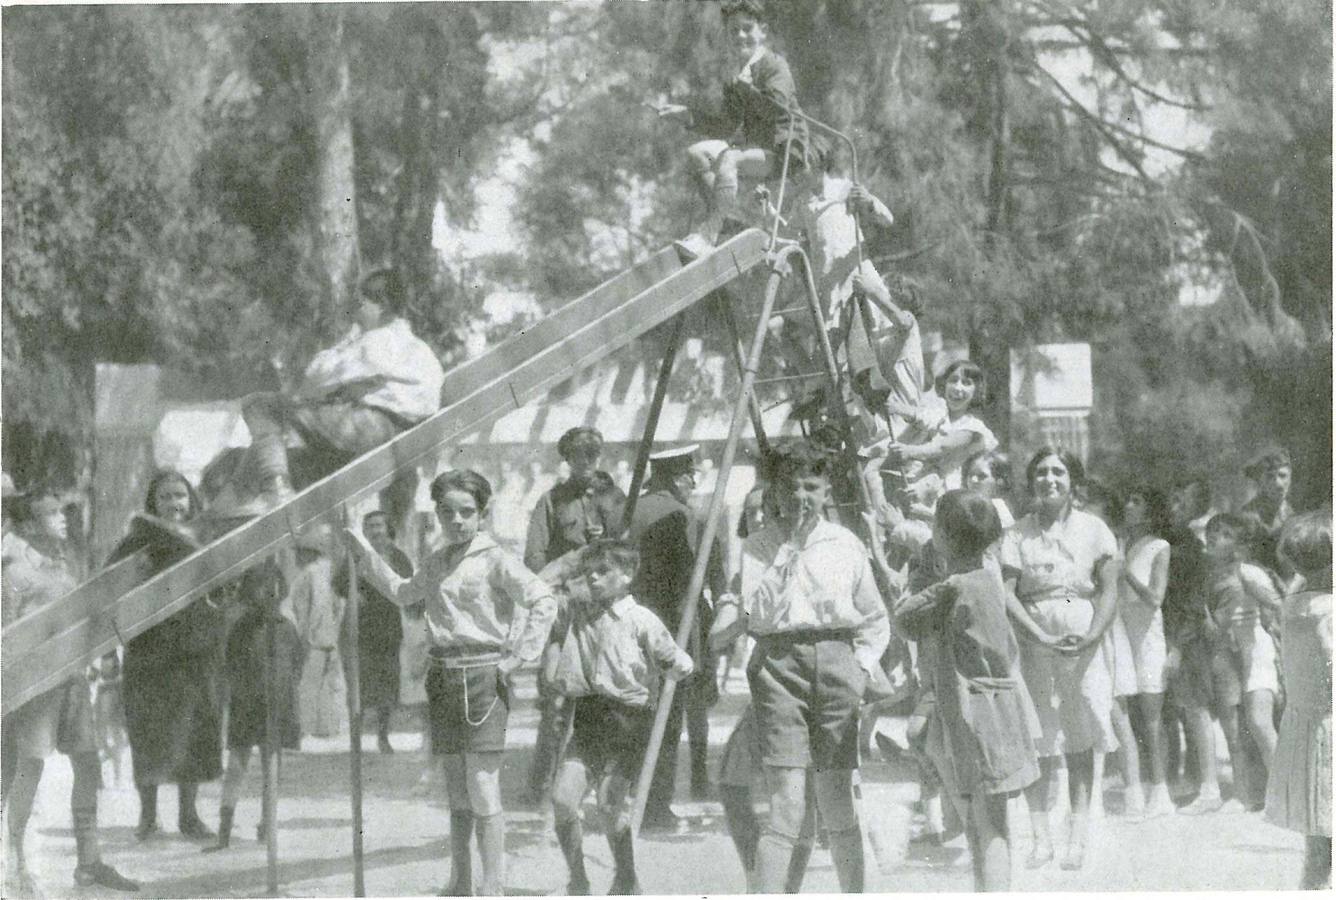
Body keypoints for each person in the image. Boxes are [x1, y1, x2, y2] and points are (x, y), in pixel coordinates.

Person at [344, 470, 556, 895]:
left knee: (482, 785)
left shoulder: (496, 558)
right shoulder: (438, 559)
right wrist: (365, 555)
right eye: (447, 512)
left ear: (483, 514)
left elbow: (543, 599)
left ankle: (492, 886)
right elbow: (404, 593)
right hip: (442, 679)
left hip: (483, 677)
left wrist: (517, 659)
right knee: (456, 788)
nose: (457, 521)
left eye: (467, 512)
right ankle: (461, 882)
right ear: (437, 514)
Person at [711, 441, 891, 892]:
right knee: (786, 804)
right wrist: (787, 550)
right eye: (791, 488)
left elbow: (873, 616)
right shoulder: (757, 547)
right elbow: (758, 615)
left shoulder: (845, 543)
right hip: (778, 667)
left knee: (836, 801)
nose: (801, 498)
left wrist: (862, 667)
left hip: (837, 667)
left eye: (811, 487)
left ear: (827, 489)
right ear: (775, 491)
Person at [892, 490, 1040, 891]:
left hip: (971, 717)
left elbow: (905, 620)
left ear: (941, 535)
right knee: (991, 823)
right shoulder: (989, 579)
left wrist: (925, 555)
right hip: (1000, 711)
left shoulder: (951, 587)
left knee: (983, 827)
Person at [2, 490, 140, 893]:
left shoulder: (64, 565)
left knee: (88, 764)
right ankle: (16, 861)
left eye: (62, 511)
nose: (62, 519)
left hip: (73, 681)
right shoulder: (11, 571)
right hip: (35, 688)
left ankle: (89, 862)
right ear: (27, 525)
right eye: (51, 513)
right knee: (27, 770)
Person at [547, 540, 694, 895]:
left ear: (627, 575)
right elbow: (545, 586)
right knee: (563, 799)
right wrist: (574, 561)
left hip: (628, 720)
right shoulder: (579, 611)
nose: (593, 579)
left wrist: (672, 668)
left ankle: (626, 877)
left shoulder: (642, 620)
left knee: (610, 804)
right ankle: (578, 878)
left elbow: (679, 662)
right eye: (589, 573)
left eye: (603, 572)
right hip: (589, 715)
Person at [999, 448, 1121, 871]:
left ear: (1073, 481)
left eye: (1059, 472)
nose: (1049, 479)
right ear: (1031, 481)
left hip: (1080, 638)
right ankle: (1040, 837)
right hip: (1035, 641)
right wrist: (1038, 634)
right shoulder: (1016, 535)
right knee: (1040, 737)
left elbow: (1106, 590)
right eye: (1041, 473)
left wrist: (1091, 636)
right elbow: (1008, 593)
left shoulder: (1094, 529)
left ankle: (1078, 834)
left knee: (1079, 735)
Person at [235, 268, 445, 510]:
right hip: (402, 437)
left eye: (361, 304)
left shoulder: (379, 339)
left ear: (382, 306)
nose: (355, 313)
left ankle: (276, 487)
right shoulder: (420, 349)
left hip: (370, 430)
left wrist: (347, 342)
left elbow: (314, 377)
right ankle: (267, 487)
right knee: (292, 452)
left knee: (261, 404)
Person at [106, 471, 226, 843]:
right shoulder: (137, 542)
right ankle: (148, 817)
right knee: (151, 734)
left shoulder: (206, 539)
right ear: (152, 504)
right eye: (166, 497)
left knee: (194, 733)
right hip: (151, 654)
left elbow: (223, 584)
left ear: (191, 500)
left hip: (196, 653)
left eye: (181, 496)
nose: (175, 504)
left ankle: (189, 816)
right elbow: (112, 587)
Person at [653, 0, 812, 258]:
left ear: (763, 31)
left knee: (730, 158)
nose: (740, 35)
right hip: (755, 149)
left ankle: (708, 235)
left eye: (747, 29)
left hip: (784, 149)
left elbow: (778, 109)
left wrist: (747, 88)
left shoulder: (774, 64)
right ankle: (728, 219)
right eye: (733, 30)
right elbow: (726, 126)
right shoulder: (737, 74)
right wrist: (688, 116)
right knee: (697, 153)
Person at [523, 427, 627, 804]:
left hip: (606, 610)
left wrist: (608, 540)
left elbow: (630, 552)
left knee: (609, 695)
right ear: (566, 459)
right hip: (566, 610)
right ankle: (543, 784)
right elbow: (533, 560)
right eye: (578, 455)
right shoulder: (551, 501)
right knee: (555, 697)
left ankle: (603, 784)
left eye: (592, 454)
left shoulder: (616, 499)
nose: (586, 462)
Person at [625, 444, 726, 830]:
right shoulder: (685, 516)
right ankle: (654, 805)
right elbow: (706, 570)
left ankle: (630, 793)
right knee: (668, 718)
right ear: (678, 475)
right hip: (674, 627)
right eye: (691, 475)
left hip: (631, 627)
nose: (694, 483)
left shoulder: (630, 510)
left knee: (635, 712)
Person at [203, 558, 301, 852]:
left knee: (273, 767)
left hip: (278, 705)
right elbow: (228, 665)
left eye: (271, 588)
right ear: (249, 592)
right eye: (259, 589)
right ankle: (224, 832)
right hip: (247, 706)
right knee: (237, 766)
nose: (266, 595)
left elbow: (296, 664)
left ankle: (267, 824)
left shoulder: (286, 628)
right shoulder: (240, 628)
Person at [1267, 511, 1332, 890]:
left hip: (1308, 734)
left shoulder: (1295, 605)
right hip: (1329, 729)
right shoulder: (1328, 613)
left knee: (1318, 847)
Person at [1202, 512, 1282, 811]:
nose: (1212, 537)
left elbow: (1278, 603)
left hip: (1256, 652)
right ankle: (1249, 794)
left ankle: (1282, 796)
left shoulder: (1247, 571)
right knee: (1239, 727)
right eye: (1211, 532)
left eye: (1223, 534)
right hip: (1231, 655)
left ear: (1237, 544)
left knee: (1261, 723)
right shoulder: (1212, 574)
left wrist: (1267, 622)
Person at [1162, 476, 1224, 811]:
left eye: (1181, 502)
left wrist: (1178, 646)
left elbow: (1191, 602)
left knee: (1196, 709)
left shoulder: (1189, 550)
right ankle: (1194, 780)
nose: (1173, 508)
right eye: (1171, 501)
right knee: (1182, 709)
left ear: (1197, 508)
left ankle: (1211, 787)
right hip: (1172, 632)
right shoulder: (1172, 541)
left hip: (1187, 637)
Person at [1115, 486, 1176, 817]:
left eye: (1136, 500)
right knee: (1131, 715)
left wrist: (1125, 572)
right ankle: (1136, 789)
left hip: (1149, 638)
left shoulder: (1158, 546)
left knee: (1152, 719)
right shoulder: (1123, 543)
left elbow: (1155, 597)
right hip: (1124, 635)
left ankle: (1161, 791)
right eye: (1129, 499)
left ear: (1151, 512)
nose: (1128, 503)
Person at [337, 510, 413, 754]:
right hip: (361, 630)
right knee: (359, 685)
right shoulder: (355, 554)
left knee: (387, 687)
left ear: (387, 528)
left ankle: (383, 736)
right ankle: (356, 739)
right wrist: (352, 591)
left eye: (379, 525)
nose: (375, 530)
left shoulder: (397, 556)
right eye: (370, 526)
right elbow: (338, 582)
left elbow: (410, 582)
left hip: (389, 629)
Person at [883, 360, 998, 492]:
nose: (957, 387)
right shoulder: (938, 414)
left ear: (977, 390)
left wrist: (909, 451)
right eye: (953, 380)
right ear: (944, 384)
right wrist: (897, 408)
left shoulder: (974, 428)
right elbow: (920, 417)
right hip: (913, 480)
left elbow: (941, 447)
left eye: (966, 383)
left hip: (949, 489)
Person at [290, 525, 347, 738]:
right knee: (329, 686)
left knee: (308, 686)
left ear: (308, 552)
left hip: (314, 638)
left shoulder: (310, 573)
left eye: (299, 552)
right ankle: (327, 728)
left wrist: (305, 636)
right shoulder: (328, 569)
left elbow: (311, 608)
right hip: (331, 637)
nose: (297, 557)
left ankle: (307, 729)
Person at [1240, 446, 1295, 578]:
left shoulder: (1290, 511)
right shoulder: (1249, 515)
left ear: (1290, 478)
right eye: (1270, 477)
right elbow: (1247, 564)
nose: (1278, 483)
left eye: (1283, 476)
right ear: (1260, 482)